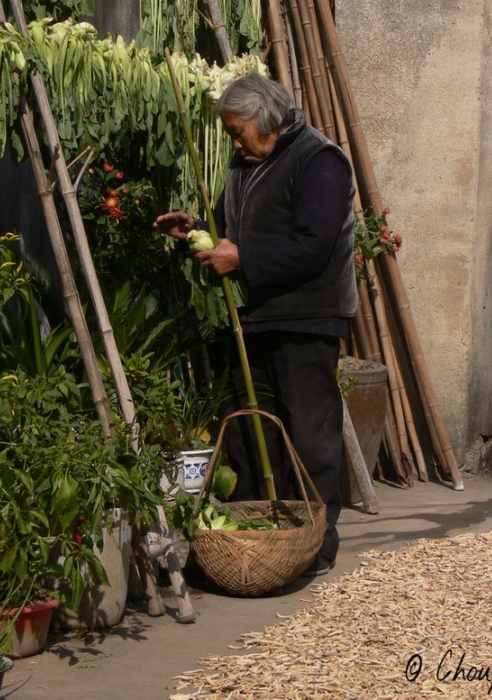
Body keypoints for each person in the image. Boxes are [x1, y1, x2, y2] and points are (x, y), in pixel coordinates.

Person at [153, 73, 357, 576]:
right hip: (256, 316)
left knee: (309, 433)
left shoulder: (319, 161)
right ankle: (254, 545)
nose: (234, 141)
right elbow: (234, 232)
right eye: (230, 133)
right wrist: (199, 233)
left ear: (268, 120)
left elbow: (313, 246)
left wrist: (242, 259)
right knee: (249, 432)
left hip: (306, 318)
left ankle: (314, 542)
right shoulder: (247, 163)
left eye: (239, 131)